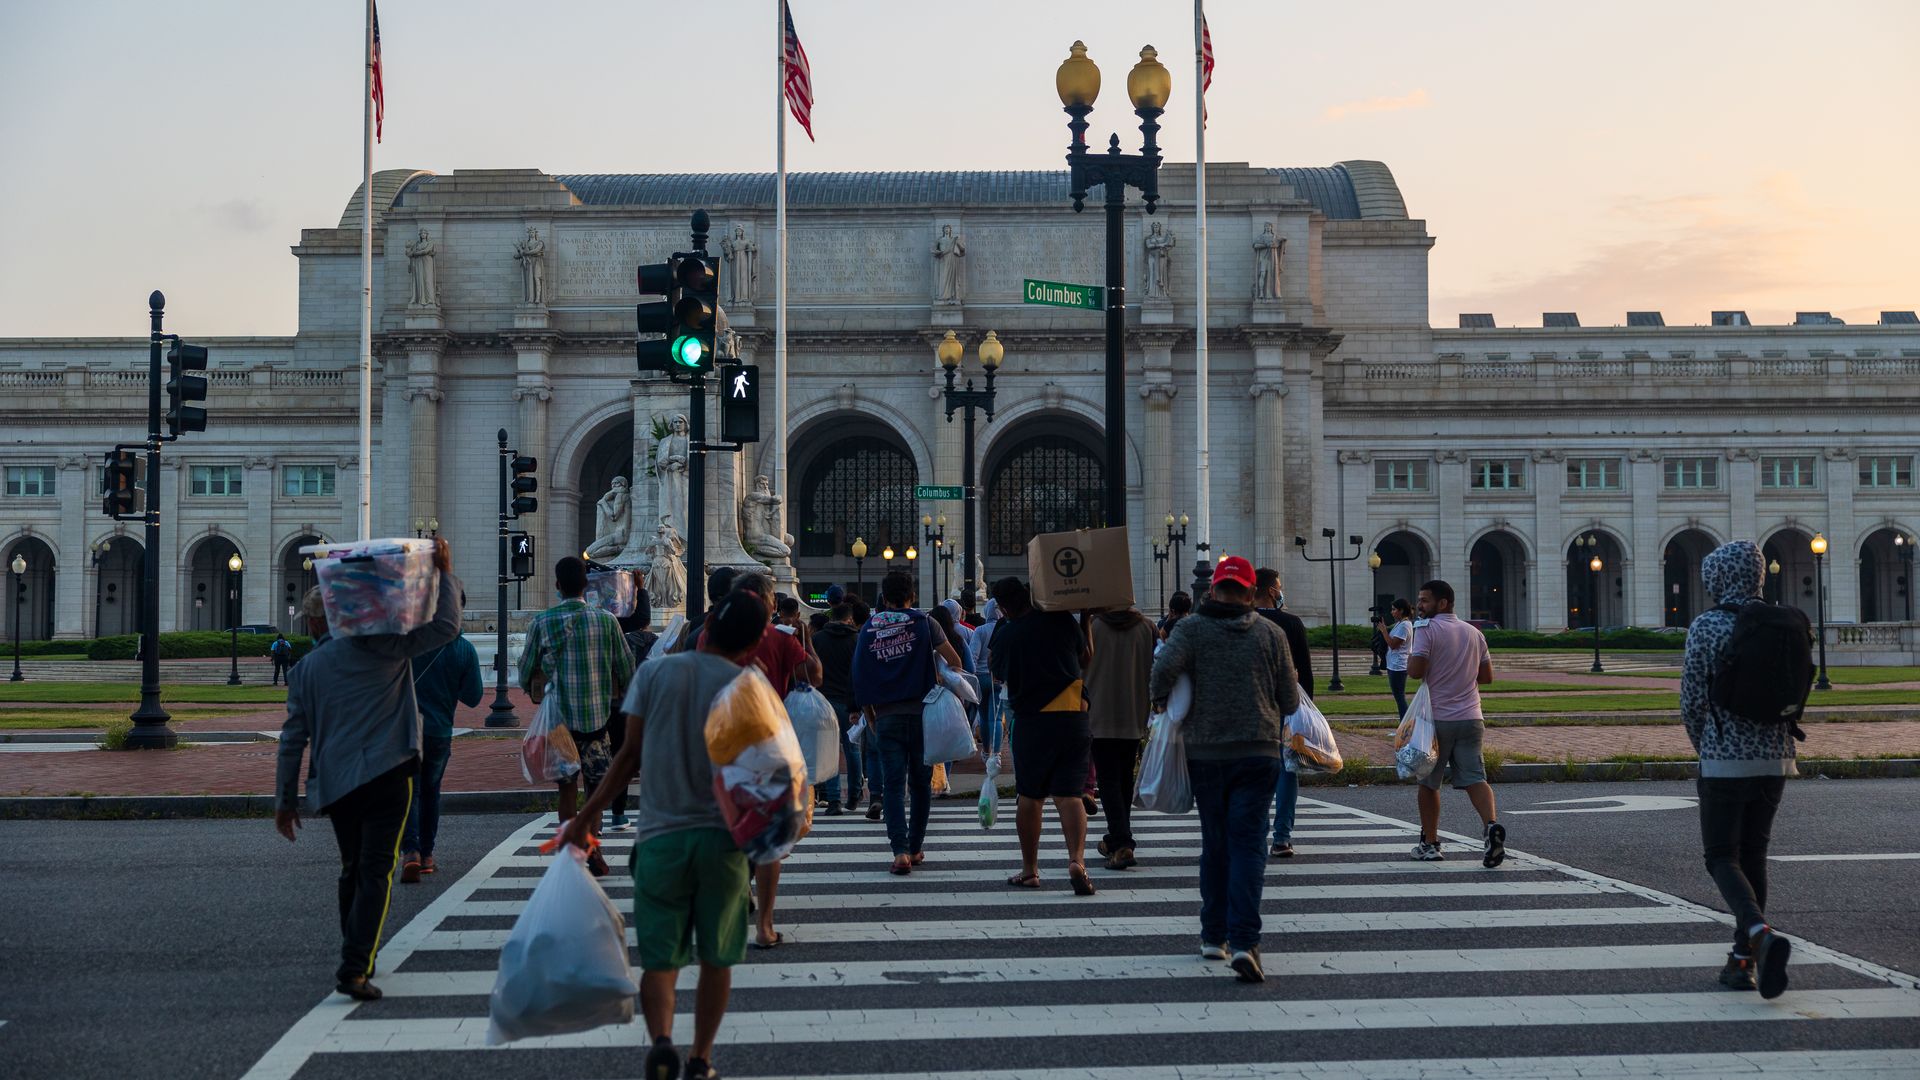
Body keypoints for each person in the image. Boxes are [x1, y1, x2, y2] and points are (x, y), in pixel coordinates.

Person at [558, 588, 771, 1080]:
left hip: (660, 836)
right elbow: (766, 770)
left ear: (710, 623)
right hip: (722, 840)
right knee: (718, 957)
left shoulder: (655, 672)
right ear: (754, 641)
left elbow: (627, 756)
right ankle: (701, 1058)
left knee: (660, 958)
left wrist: (586, 816)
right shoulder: (750, 687)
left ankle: (660, 1042)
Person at [274, 539, 462, 1002]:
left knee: (351, 867)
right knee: (376, 871)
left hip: (337, 784)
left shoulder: (305, 670)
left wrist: (284, 800)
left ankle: (355, 950)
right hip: (389, 774)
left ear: (320, 620)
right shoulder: (388, 649)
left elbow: (292, 739)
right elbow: (446, 626)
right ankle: (356, 964)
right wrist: (442, 572)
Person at [1149, 556, 1298, 983]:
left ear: (1213, 590)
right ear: (1252, 593)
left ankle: (1214, 936)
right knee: (1249, 845)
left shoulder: (1190, 629)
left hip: (1206, 753)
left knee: (1215, 843)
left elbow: (1160, 673)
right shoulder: (1271, 633)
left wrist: (1163, 700)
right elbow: (1289, 700)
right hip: (1259, 752)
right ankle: (1246, 940)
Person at [1681, 540, 1799, 999]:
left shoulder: (1707, 626)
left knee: (1721, 856)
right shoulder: (1785, 622)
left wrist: (1705, 746)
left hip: (1725, 758)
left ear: (1716, 579)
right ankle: (1744, 960)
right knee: (1754, 856)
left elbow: (1692, 701)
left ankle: (1760, 935)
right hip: (1777, 756)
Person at [518, 556, 636, 876]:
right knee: (596, 790)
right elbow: (626, 669)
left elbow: (525, 671)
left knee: (566, 788)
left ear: (557, 586)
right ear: (587, 584)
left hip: (559, 722)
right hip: (597, 720)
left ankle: (572, 849)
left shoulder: (542, 622)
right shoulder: (606, 621)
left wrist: (537, 688)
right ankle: (593, 847)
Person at [988, 578, 1098, 896]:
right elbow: (1086, 658)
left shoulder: (1006, 635)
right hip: (1073, 714)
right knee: (1070, 795)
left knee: (1030, 796)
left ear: (1005, 607)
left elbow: (998, 675)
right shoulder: (1061, 620)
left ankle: (1030, 870)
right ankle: (1077, 861)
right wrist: (1086, 617)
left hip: (1032, 720)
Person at [852, 571, 962, 874]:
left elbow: (860, 676)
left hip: (886, 716)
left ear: (884, 599)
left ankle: (899, 851)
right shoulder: (926, 623)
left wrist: (871, 716)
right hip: (924, 714)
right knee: (920, 785)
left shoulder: (870, 628)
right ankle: (915, 848)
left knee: (893, 785)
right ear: (912, 596)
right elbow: (955, 662)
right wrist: (936, 676)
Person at [1406, 579, 1504, 868]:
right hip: (1472, 717)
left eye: (1424, 600)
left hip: (1437, 719)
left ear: (1443, 603)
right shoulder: (1474, 633)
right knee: (1475, 777)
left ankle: (1430, 843)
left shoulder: (1425, 629)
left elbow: (1415, 671)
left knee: (1428, 782)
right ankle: (1491, 827)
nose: (1419, 606)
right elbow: (1486, 677)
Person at [400, 613, 483, 882]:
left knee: (408, 792)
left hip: (406, 729)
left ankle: (410, 851)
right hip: (439, 731)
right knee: (430, 792)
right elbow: (473, 697)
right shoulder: (464, 649)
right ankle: (427, 856)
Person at [1087, 606, 1155, 870]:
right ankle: (1117, 837)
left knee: (1109, 780)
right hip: (1134, 713)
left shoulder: (1092, 626)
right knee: (1125, 777)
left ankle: (1122, 840)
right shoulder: (1147, 627)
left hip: (1099, 713)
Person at [1253, 568, 1315, 859]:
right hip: (1286, 706)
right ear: (1270, 591)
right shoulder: (1290, 623)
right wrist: (1308, 710)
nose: (1281, 590)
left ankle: (1254, 831)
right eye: (1279, 586)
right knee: (1287, 770)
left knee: (1253, 771)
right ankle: (1282, 837)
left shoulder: (1243, 622)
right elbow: (1306, 671)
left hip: (1251, 708)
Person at [812, 602, 864, 815]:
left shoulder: (817, 639)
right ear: (850, 619)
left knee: (829, 750)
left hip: (825, 700)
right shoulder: (857, 640)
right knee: (852, 748)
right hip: (849, 699)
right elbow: (861, 672)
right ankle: (854, 794)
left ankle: (833, 799)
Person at [1385, 599, 1415, 717]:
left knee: (1400, 697)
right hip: (1393, 664)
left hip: (1399, 666)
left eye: (1394, 609)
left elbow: (1393, 645)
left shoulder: (1405, 625)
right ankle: (1404, 727)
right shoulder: (1400, 623)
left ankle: (1405, 727)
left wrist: (1384, 632)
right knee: (1399, 697)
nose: (1392, 612)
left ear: (1401, 610)